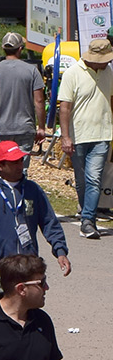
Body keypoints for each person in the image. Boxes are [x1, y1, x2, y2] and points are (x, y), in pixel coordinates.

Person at [0, 141, 71, 302]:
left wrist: (60, 251)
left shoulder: (32, 189)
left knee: (27, 317)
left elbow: (49, 222)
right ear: (0, 166)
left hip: (28, 268)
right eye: (14, 162)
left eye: (21, 160)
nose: (19, 165)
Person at [56, 34, 112, 238]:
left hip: (102, 135)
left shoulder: (108, 73)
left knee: (94, 179)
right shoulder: (73, 73)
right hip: (78, 135)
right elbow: (65, 107)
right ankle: (85, 210)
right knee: (82, 181)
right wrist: (65, 136)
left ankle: (88, 221)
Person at [0, 32, 46, 157]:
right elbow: (39, 101)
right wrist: (41, 127)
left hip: (2, 126)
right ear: (20, 49)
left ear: (3, 48)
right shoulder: (32, 70)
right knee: (22, 168)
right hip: (24, 127)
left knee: (2, 165)